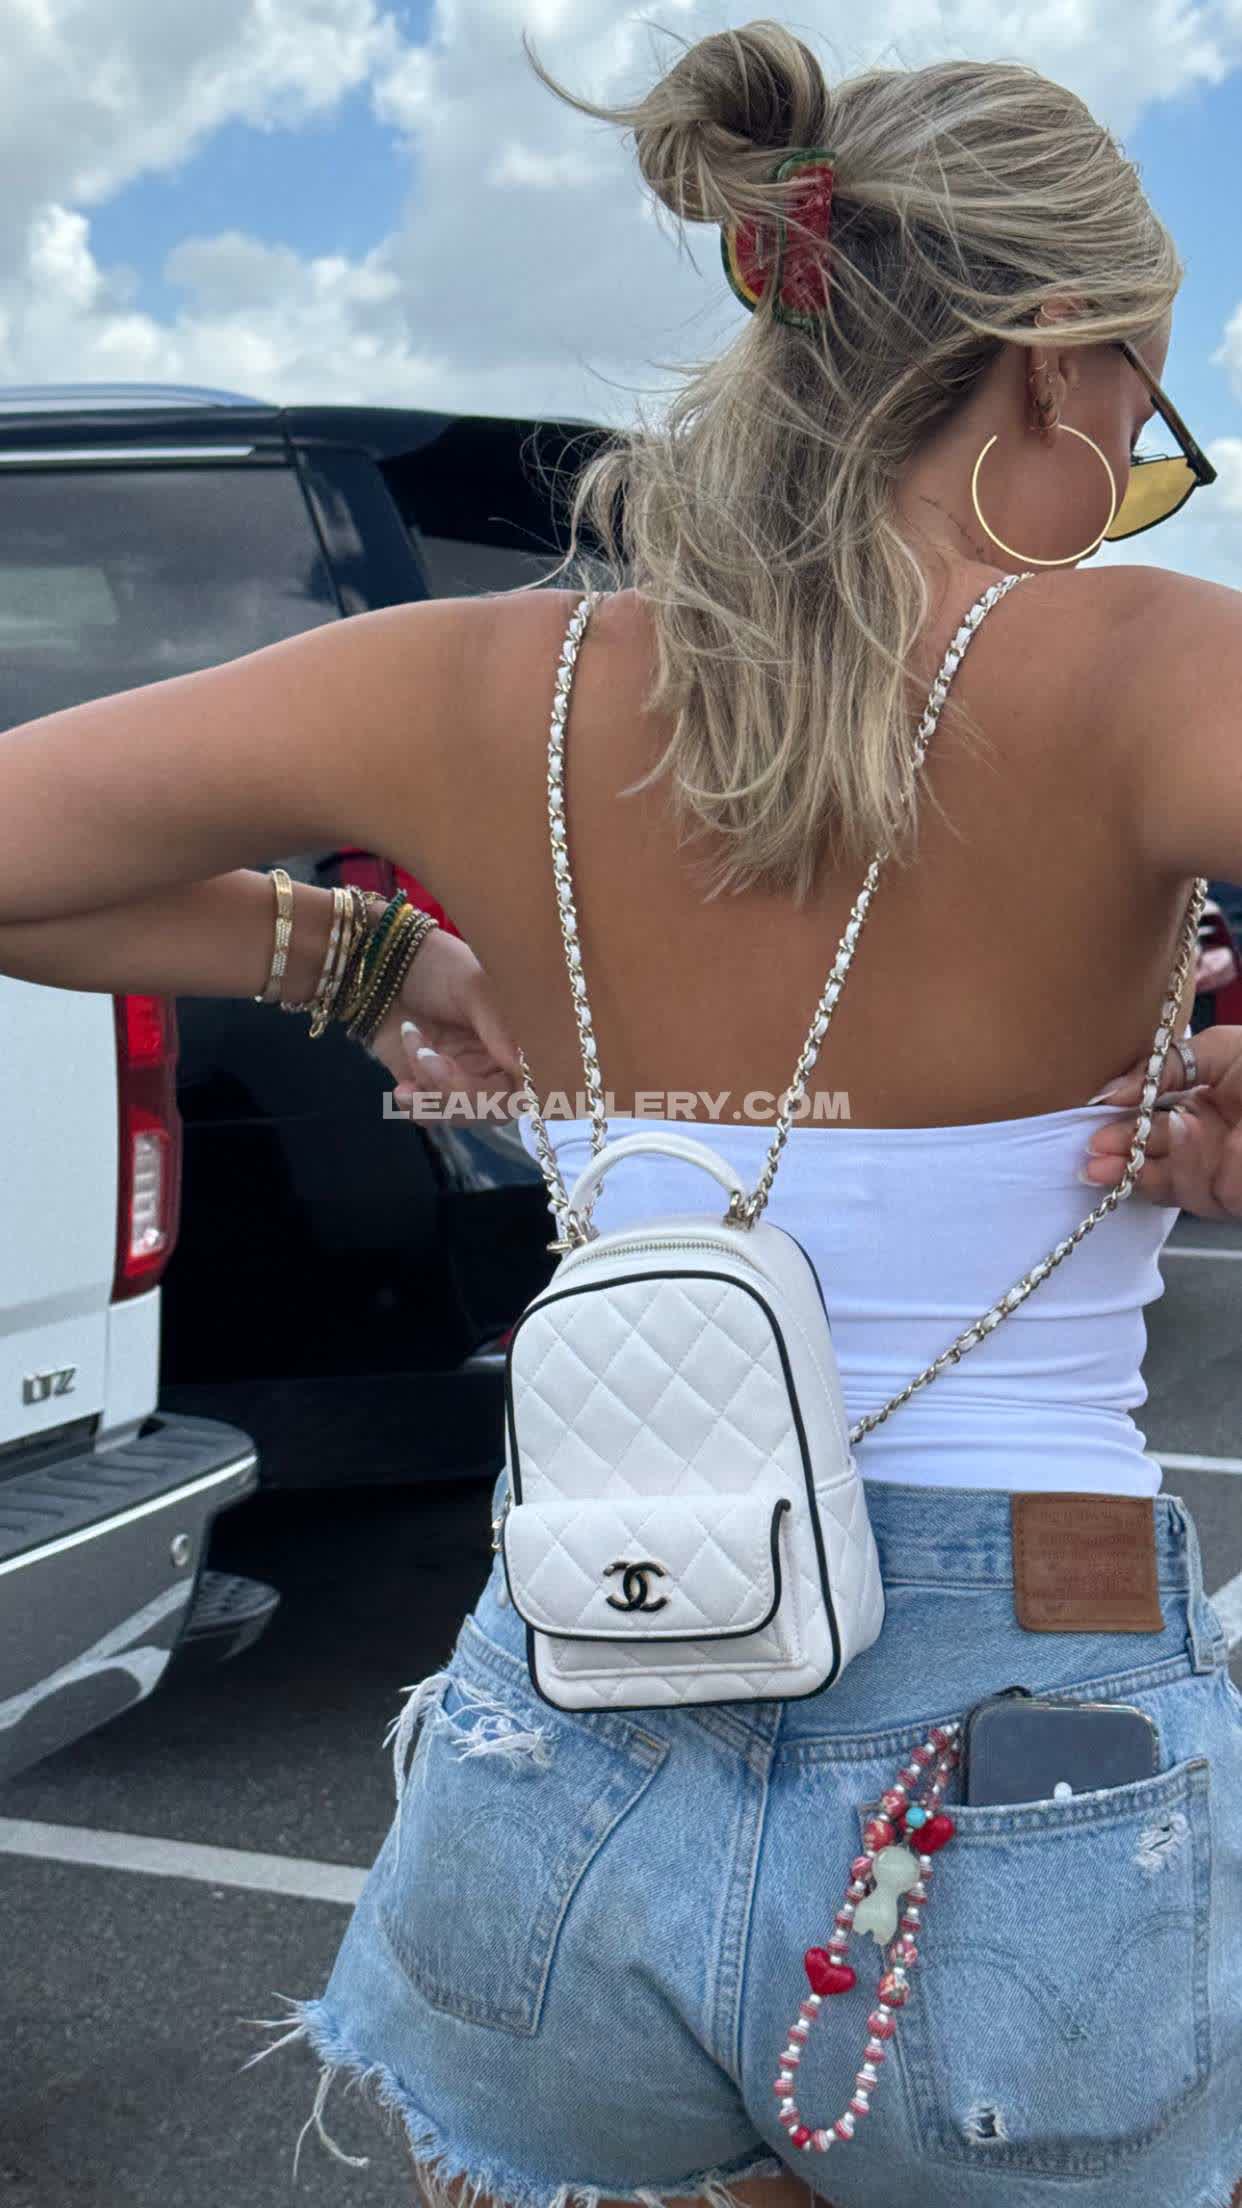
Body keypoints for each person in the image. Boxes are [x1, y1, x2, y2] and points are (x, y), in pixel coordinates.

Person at [1, 24, 1241, 2208]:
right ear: (1061, 356)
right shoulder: (1147, 674)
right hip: (1021, 1745)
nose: (1131, 485)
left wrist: (355, 959)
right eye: (1147, 428)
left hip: (583, 1695)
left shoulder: (485, 679)